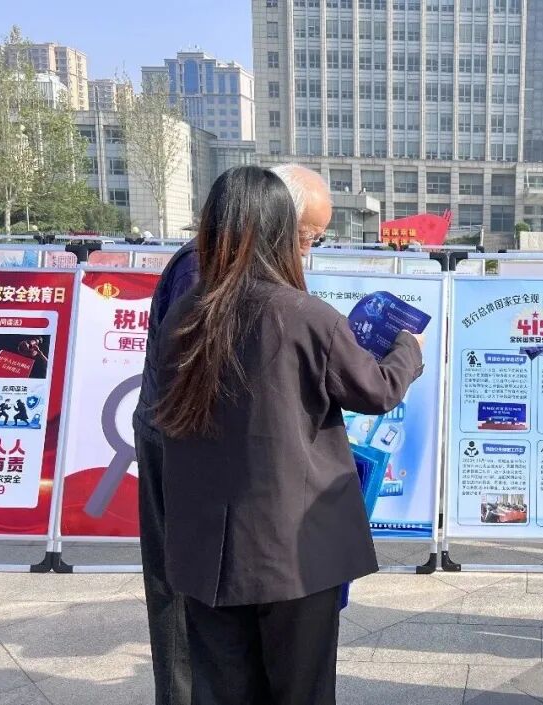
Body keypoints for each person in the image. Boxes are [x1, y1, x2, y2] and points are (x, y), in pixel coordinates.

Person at [151, 165, 422, 705]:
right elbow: (376, 390)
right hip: (293, 550)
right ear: (279, 230)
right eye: (305, 236)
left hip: (207, 550)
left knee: (222, 690)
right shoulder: (305, 316)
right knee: (302, 690)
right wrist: (407, 349)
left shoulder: (184, 314)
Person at [133, 163, 332, 705]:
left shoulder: (231, 269)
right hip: (189, 447)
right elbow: (220, 378)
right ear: (270, 218)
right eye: (307, 234)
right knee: (192, 594)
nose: (308, 249)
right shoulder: (206, 273)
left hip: (203, 444)